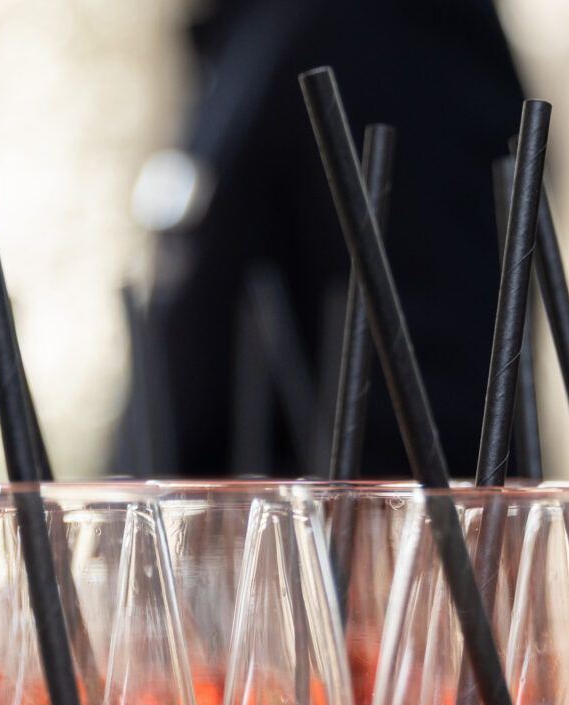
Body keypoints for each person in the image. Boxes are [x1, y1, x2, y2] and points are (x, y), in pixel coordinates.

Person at [145, 0, 527, 479]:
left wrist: (294, 523)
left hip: (333, 525)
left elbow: (435, 423)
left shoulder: (394, 24)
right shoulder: (251, 32)